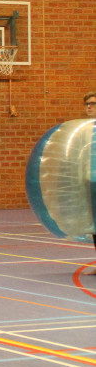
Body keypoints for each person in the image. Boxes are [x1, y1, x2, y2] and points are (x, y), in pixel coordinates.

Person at [85, 93, 96, 275]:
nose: (89, 107)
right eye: (87, 104)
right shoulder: (85, 130)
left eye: (93, 104)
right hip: (92, 182)